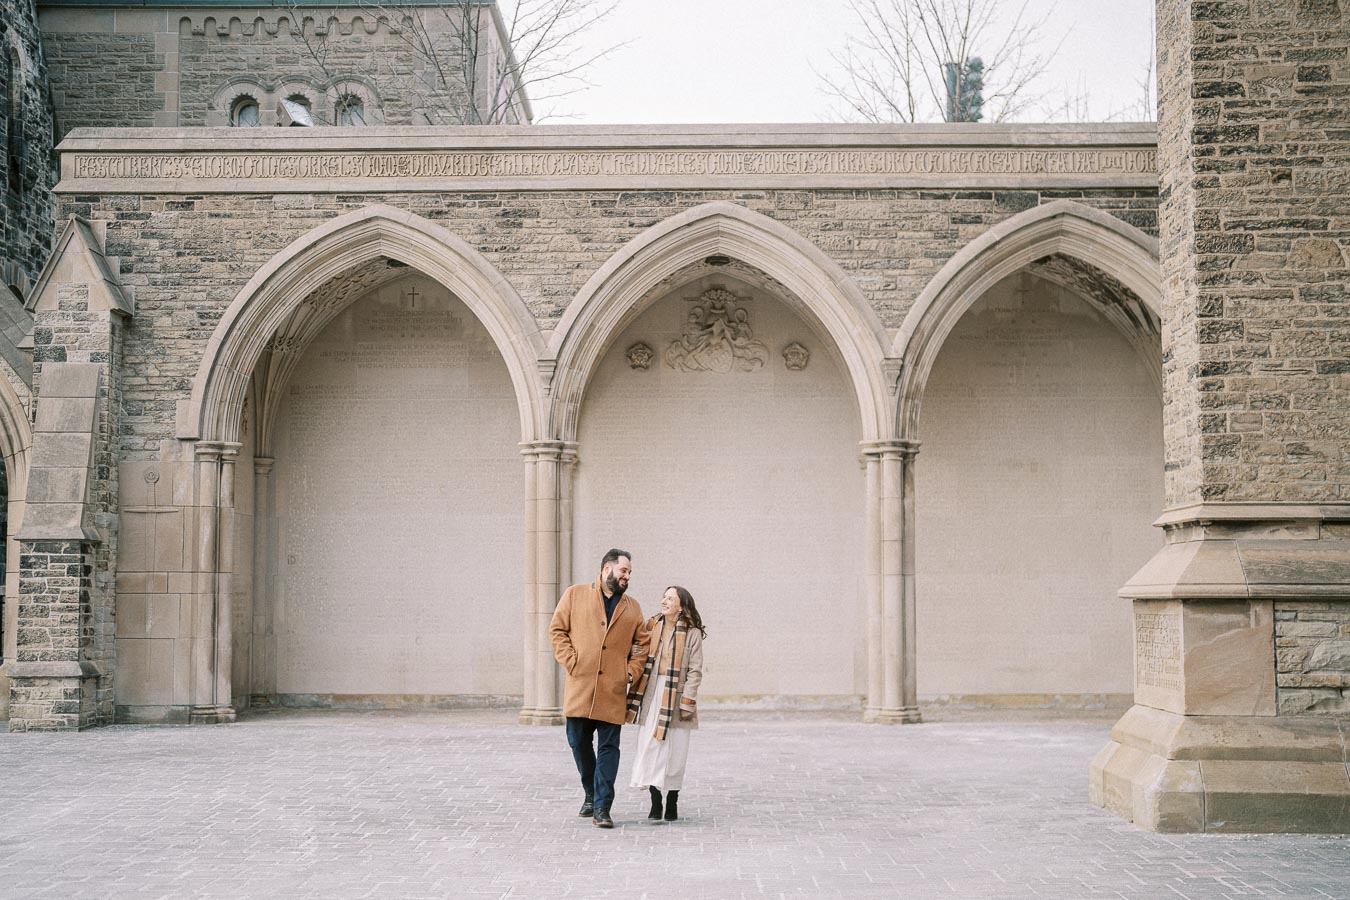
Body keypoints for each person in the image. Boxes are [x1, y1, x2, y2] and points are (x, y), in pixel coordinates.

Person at [549, 548, 649, 829]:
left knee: (609, 748)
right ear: (607, 569)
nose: (627, 576)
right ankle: (591, 794)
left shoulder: (632, 607)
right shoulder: (575, 594)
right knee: (577, 743)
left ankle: (602, 806)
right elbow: (557, 630)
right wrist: (572, 661)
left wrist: (630, 673)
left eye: (629, 572)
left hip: (613, 690)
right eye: (623, 571)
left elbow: (641, 645)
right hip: (580, 686)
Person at [626, 585, 706, 823]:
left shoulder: (692, 633)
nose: (664, 601)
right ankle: (655, 800)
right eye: (664, 596)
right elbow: (637, 650)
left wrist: (687, 701)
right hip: (652, 693)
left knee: (676, 751)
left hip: (677, 696)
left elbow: (695, 671)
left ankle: (672, 800)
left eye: (670, 598)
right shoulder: (652, 626)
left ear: (682, 605)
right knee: (650, 746)